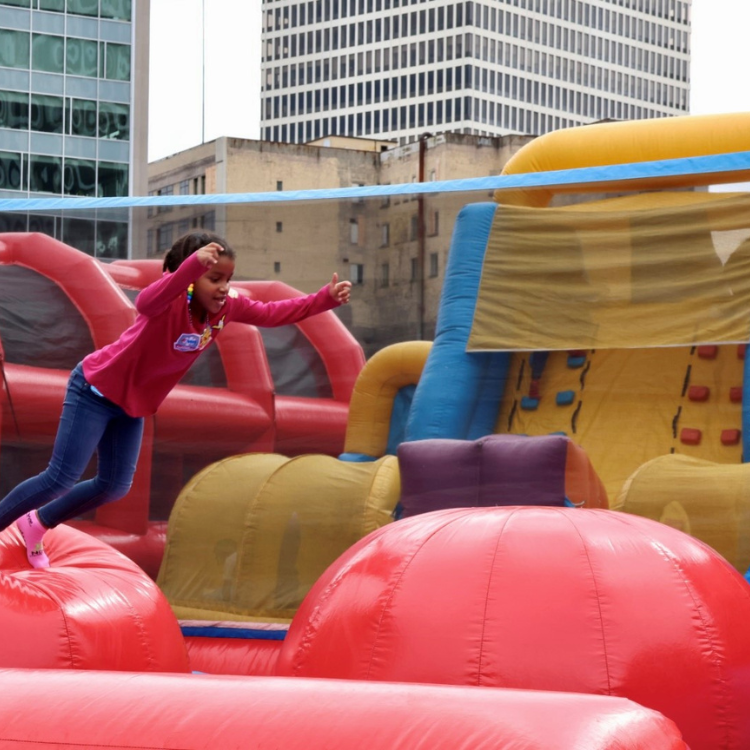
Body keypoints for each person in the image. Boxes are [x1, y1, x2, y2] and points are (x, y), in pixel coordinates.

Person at [0, 231, 351, 569]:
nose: (224, 287)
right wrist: (192, 267)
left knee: (114, 486)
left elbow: (274, 313)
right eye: (214, 278)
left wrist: (325, 299)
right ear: (193, 278)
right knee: (60, 478)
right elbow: (148, 300)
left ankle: (38, 523)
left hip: (131, 406)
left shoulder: (225, 310)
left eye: (228, 278)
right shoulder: (167, 303)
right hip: (95, 390)